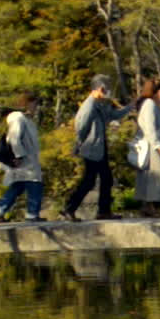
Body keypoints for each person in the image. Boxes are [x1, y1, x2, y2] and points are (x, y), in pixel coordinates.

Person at [61, 74, 131, 221]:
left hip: (99, 146)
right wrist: (78, 146)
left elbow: (112, 115)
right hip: (91, 148)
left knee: (106, 178)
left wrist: (131, 107)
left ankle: (103, 211)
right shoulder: (89, 106)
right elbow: (81, 128)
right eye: (106, 90)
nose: (108, 94)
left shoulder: (99, 104)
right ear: (100, 89)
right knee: (89, 181)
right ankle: (69, 208)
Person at [0, 91, 44, 222]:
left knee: (18, 185)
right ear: (28, 103)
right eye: (34, 104)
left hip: (26, 158)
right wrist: (19, 156)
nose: (36, 107)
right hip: (24, 159)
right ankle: (32, 214)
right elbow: (14, 138)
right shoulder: (18, 118)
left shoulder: (26, 119)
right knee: (35, 184)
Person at [133, 78, 160, 217]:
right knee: (159, 174)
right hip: (151, 146)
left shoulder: (148, 104)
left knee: (149, 176)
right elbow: (149, 127)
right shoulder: (150, 105)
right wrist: (157, 144)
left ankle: (148, 207)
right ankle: (152, 206)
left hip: (150, 144)